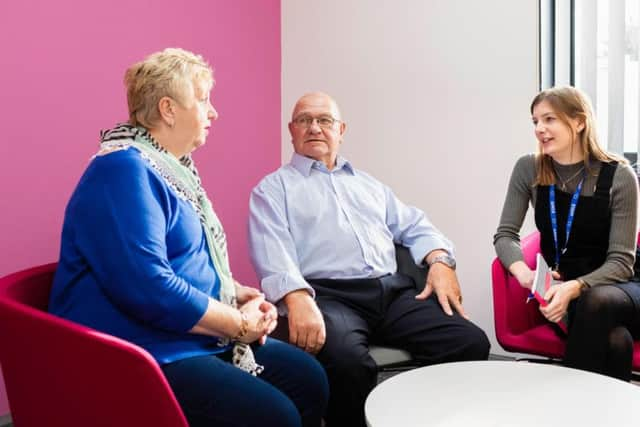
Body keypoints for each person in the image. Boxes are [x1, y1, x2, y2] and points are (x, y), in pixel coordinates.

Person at [48, 48, 328, 427]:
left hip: (179, 332)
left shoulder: (170, 169)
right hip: (140, 348)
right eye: (203, 99)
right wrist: (238, 324)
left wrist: (231, 289)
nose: (213, 112)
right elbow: (149, 288)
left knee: (308, 378)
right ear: (168, 109)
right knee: (274, 415)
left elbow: (182, 260)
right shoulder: (121, 169)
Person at [248, 91, 490, 427]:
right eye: (305, 120)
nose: (315, 127)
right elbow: (273, 252)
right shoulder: (273, 189)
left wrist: (439, 261)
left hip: (392, 295)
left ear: (341, 129)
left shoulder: (370, 185)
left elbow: (415, 226)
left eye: (325, 120)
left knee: (468, 342)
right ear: (292, 130)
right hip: (329, 298)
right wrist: (297, 298)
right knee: (348, 365)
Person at [494, 86, 640, 381]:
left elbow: (622, 263)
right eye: (535, 121)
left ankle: (563, 411)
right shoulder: (529, 168)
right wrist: (524, 273)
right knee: (617, 341)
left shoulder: (620, 175)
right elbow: (505, 235)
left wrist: (576, 287)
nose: (540, 129)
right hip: (564, 287)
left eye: (549, 119)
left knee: (594, 301)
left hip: (622, 285)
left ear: (579, 122)